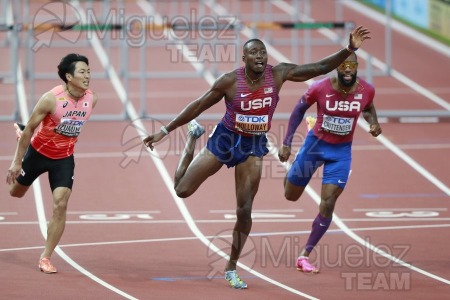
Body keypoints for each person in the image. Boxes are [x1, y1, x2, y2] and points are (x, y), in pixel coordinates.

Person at [143, 26, 371, 289]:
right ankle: (193, 138)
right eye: (254, 52)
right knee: (182, 190)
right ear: (245, 59)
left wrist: (349, 49)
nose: (260, 56)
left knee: (245, 210)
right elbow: (198, 104)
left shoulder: (279, 73)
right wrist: (164, 130)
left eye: (262, 51)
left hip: (253, 146)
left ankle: (231, 268)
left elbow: (319, 67)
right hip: (225, 140)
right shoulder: (229, 81)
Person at [278, 52, 382, 273]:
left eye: (351, 66)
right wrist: (287, 143)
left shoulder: (366, 90)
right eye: (343, 65)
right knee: (291, 194)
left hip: (341, 152)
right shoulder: (319, 87)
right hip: (314, 146)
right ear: (337, 67)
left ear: (356, 67)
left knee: (328, 201)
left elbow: (368, 107)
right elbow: (298, 109)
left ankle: (304, 255)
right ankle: (300, 160)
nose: (347, 70)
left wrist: (373, 123)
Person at [6, 53, 98, 274]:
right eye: (82, 72)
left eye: (88, 71)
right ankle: (21, 142)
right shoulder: (51, 99)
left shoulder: (92, 99)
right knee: (15, 192)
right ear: (68, 76)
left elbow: (71, 125)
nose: (87, 76)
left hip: (64, 158)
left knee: (60, 204)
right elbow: (31, 127)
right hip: (37, 153)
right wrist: (17, 161)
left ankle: (45, 257)